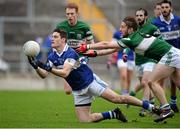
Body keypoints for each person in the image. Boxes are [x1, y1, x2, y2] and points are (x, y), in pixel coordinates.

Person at [27, 29, 159, 123]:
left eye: (55, 37)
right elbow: (44, 75)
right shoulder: (52, 55)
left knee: (117, 98)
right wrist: (36, 66)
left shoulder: (71, 53)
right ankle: (113, 114)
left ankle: (151, 107)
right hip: (78, 90)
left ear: (63, 40)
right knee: (85, 120)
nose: (52, 39)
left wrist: (46, 66)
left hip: (89, 82)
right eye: (52, 37)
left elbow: (65, 73)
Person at [76, 16, 178, 122]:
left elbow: (106, 44)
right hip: (172, 54)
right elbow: (112, 49)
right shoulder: (132, 38)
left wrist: (87, 47)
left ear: (130, 29)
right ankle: (166, 109)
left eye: (123, 27)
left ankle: (166, 109)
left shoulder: (132, 39)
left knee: (152, 82)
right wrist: (95, 53)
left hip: (170, 55)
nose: (120, 29)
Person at [128, 8, 161, 116]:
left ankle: (144, 106)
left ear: (145, 16)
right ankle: (153, 105)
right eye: (137, 15)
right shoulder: (134, 29)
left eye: (141, 15)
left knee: (146, 81)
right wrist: (125, 52)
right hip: (138, 61)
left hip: (150, 59)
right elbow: (129, 42)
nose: (139, 17)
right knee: (146, 84)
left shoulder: (152, 28)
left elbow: (161, 42)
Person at [56, 3, 95, 95]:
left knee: (81, 85)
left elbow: (92, 44)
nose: (70, 16)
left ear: (77, 14)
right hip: (67, 59)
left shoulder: (84, 27)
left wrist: (89, 53)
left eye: (72, 14)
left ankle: (89, 94)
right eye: (68, 14)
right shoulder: (60, 27)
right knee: (68, 91)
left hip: (81, 58)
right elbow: (56, 44)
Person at [152, 0, 180, 113]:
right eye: (162, 7)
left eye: (166, 7)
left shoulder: (178, 20)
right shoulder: (156, 23)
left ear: (171, 8)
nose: (164, 9)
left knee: (176, 82)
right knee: (159, 81)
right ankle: (165, 106)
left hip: (177, 55)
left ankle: (170, 103)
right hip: (164, 57)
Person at [112, 30, 135, 95]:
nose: (121, 28)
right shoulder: (117, 33)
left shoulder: (134, 33)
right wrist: (112, 57)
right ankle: (123, 93)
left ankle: (127, 95)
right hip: (121, 57)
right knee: (124, 75)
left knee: (129, 79)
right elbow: (113, 45)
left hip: (131, 58)